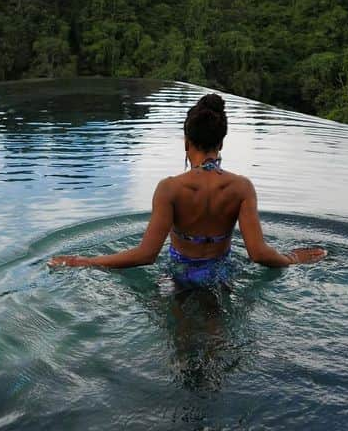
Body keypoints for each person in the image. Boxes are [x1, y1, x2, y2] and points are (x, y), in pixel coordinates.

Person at [48, 93, 325, 287]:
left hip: (178, 277)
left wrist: (85, 261)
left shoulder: (170, 189)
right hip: (222, 276)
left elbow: (146, 254)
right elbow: (258, 253)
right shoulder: (241, 188)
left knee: (182, 351)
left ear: (186, 141)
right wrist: (292, 258)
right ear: (222, 143)